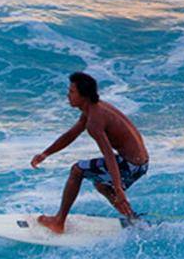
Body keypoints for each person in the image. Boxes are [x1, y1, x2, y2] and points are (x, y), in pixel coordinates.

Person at [31, 72, 149, 233]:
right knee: (101, 184)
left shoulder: (95, 121)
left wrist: (119, 189)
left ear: (84, 96)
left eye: (72, 92)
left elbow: (109, 157)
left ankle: (59, 221)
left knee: (77, 170)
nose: (68, 95)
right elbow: (72, 134)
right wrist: (45, 154)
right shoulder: (95, 108)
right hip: (140, 164)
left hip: (130, 165)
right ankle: (133, 219)